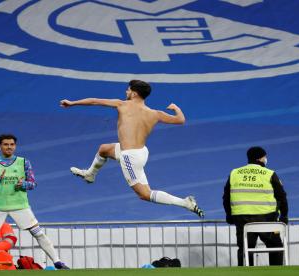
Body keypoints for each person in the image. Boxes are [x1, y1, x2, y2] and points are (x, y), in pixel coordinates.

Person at [60, 79, 204, 217]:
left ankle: (185, 203)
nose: (126, 92)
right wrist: (176, 108)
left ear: (134, 93)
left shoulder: (122, 105)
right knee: (104, 149)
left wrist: (73, 103)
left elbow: (94, 101)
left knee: (144, 194)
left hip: (129, 157)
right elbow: (180, 120)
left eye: (128, 90)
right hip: (141, 152)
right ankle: (90, 175)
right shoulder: (155, 113)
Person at [0, 134, 69, 270]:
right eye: (5, 144)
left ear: (15, 146)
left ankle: (57, 262)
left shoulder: (24, 162)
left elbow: (33, 184)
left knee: (38, 233)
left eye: (12, 144)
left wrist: (23, 185)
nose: (9, 147)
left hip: (19, 205)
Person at [222, 146, 288, 266]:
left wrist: (229, 215)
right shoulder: (269, 174)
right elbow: (281, 197)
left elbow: (226, 197)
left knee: (245, 249)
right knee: (276, 247)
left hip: (242, 219)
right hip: (267, 219)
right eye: (265, 157)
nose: (266, 159)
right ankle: (276, 273)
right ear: (259, 158)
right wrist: (284, 216)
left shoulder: (235, 173)